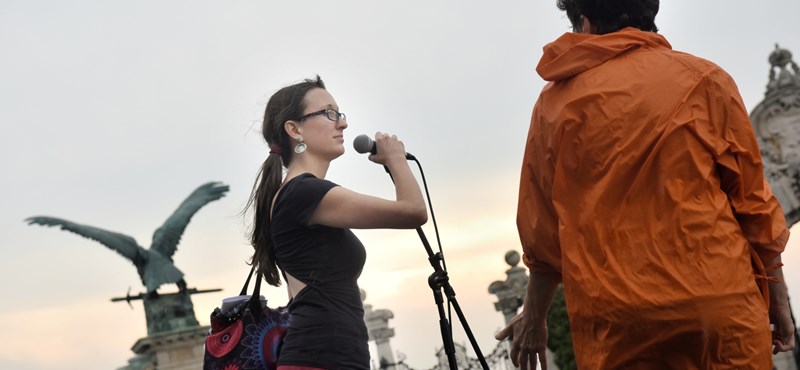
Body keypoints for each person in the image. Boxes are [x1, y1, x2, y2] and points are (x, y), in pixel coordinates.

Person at [495, 1, 795, 369]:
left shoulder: (554, 107)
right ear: (649, 17)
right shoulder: (706, 79)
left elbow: (541, 232)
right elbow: (752, 203)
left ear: (585, 24)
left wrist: (535, 317)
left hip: (618, 325)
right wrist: (777, 298)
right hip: (719, 307)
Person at [246, 76, 427, 370]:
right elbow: (413, 211)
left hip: (326, 356)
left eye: (339, 114)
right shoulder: (303, 192)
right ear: (294, 129)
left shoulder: (297, 194)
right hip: (321, 358)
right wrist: (397, 160)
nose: (341, 124)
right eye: (328, 113)